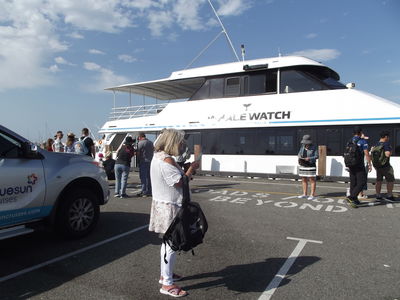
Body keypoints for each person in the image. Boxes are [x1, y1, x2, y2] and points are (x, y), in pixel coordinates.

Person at [148, 129, 199, 298]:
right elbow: (180, 182)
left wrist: (184, 170)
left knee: (167, 243)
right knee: (172, 244)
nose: (182, 144)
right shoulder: (166, 160)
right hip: (171, 206)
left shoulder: (159, 157)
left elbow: (176, 178)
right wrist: (191, 169)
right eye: (180, 141)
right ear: (172, 142)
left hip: (164, 204)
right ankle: (167, 284)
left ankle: (165, 275)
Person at [346, 126, 372, 207]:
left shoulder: (349, 140)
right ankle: (352, 197)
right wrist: (370, 164)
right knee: (362, 181)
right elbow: (366, 153)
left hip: (350, 164)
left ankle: (355, 200)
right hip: (359, 164)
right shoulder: (362, 141)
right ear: (360, 132)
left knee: (353, 182)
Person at [373, 131, 396, 201]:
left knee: (379, 180)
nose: (389, 138)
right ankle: (389, 195)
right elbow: (387, 154)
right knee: (390, 180)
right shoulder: (386, 144)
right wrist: (390, 151)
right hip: (386, 166)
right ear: (386, 137)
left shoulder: (376, 144)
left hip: (378, 166)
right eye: (388, 136)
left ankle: (378, 195)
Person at [297, 135, 319, 200]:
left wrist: (309, 158)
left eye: (306, 142)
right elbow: (299, 153)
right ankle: (304, 194)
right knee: (304, 179)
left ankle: (312, 195)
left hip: (311, 165)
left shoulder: (314, 147)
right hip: (303, 165)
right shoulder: (302, 146)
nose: (304, 143)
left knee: (312, 180)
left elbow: (317, 156)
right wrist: (300, 157)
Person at [137, 132, 154, 197]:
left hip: (143, 161)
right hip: (150, 161)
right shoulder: (151, 142)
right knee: (149, 177)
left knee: (143, 177)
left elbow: (138, 152)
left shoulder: (140, 143)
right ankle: (149, 191)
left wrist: (138, 160)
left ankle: (144, 191)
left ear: (140, 137)